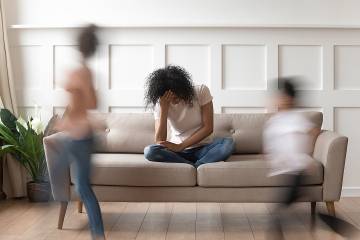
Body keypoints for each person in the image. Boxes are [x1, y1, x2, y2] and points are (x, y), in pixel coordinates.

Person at [45, 24, 105, 240]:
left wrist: (76, 88)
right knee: (82, 187)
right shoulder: (84, 71)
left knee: (71, 185)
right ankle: (98, 234)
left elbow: (89, 103)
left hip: (79, 138)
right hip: (81, 136)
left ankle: (97, 234)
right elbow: (84, 104)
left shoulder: (80, 71)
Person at [144, 65, 234, 168]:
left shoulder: (201, 91)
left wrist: (181, 146)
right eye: (169, 96)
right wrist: (164, 109)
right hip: (178, 153)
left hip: (204, 148)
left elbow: (208, 128)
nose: (173, 99)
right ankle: (195, 166)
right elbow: (159, 140)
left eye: (175, 94)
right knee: (149, 151)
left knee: (228, 142)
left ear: (182, 87)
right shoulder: (161, 104)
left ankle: (195, 165)